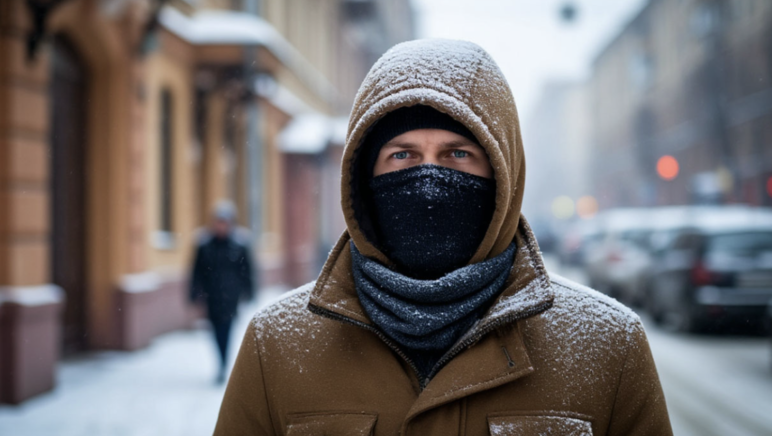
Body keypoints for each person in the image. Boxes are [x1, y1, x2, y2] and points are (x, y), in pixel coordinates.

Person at [215, 40, 672, 435]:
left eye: (458, 153)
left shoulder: (608, 344)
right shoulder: (276, 345)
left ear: (502, 174)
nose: (429, 182)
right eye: (402, 154)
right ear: (361, 176)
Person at [190, 201, 254, 383]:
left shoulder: (239, 245)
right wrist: (194, 293)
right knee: (215, 330)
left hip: (231, 297)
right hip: (212, 296)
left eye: (225, 222)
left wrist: (249, 291)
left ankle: (223, 364)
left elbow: (247, 270)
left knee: (227, 328)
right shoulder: (204, 246)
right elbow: (196, 271)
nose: (221, 226)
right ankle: (221, 361)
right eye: (219, 222)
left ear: (231, 224)